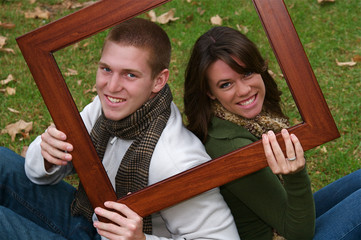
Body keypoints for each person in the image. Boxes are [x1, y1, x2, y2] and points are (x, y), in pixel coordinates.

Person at [0, 19, 239, 240]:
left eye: (130, 75)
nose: (111, 87)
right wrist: (48, 157)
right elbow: (36, 173)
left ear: (159, 80)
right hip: (87, 217)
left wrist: (142, 239)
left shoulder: (177, 161)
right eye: (106, 69)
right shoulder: (103, 108)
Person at [183, 26, 361, 240]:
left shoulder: (232, 122)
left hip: (279, 220)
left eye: (247, 73)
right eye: (226, 84)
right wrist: (295, 175)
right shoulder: (232, 146)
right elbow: (299, 233)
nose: (244, 90)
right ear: (210, 92)